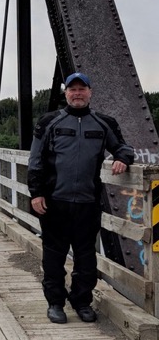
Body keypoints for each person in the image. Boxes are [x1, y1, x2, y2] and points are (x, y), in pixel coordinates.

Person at [27, 72, 134, 324]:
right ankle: (55, 303)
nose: (77, 93)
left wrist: (122, 158)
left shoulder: (103, 123)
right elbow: (35, 161)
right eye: (72, 89)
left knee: (86, 257)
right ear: (65, 93)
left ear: (90, 92)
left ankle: (82, 302)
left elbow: (123, 147)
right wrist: (36, 193)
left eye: (82, 89)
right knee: (53, 256)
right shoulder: (49, 121)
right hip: (55, 202)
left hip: (87, 203)